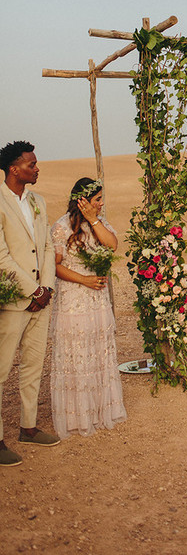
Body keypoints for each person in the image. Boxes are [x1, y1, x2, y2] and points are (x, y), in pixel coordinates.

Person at [50, 177, 126, 438]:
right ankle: (77, 416)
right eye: (97, 200)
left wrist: (93, 220)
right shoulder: (61, 227)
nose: (101, 204)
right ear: (82, 201)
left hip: (97, 298)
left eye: (101, 199)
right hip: (74, 297)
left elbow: (112, 245)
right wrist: (84, 279)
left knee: (98, 351)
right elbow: (55, 266)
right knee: (77, 354)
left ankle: (98, 410)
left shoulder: (99, 223)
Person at [0, 140, 59, 467]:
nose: (37, 169)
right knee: (1, 369)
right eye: (31, 164)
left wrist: (46, 287)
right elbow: (1, 256)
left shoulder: (38, 200)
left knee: (34, 366)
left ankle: (29, 427)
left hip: (41, 299)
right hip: (13, 299)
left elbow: (47, 247)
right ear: (14, 169)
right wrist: (32, 290)